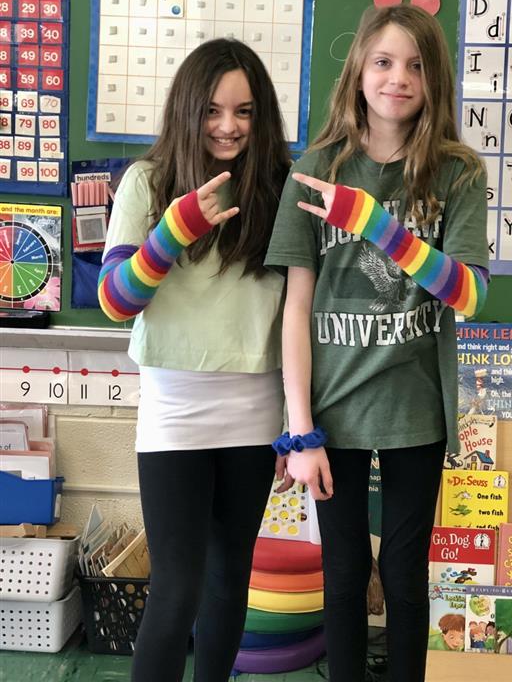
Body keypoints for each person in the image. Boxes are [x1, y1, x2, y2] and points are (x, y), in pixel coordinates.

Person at [266, 4, 489, 682]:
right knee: (341, 574)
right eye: (384, 61)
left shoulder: (457, 173)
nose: (398, 78)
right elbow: (295, 308)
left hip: (414, 408)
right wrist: (299, 430)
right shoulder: (315, 168)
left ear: (434, 79)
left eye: (416, 66)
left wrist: (376, 225)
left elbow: (470, 295)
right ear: (359, 70)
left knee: (402, 573)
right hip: (333, 411)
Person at [98, 38, 290, 682]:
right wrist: (175, 228)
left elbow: (299, 315)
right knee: (177, 584)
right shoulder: (147, 184)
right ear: (186, 110)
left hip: (256, 408)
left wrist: (298, 421)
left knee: (230, 574)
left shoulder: (277, 190)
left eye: (244, 111)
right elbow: (115, 301)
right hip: (175, 409)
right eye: (212, 110)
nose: (229, 127)